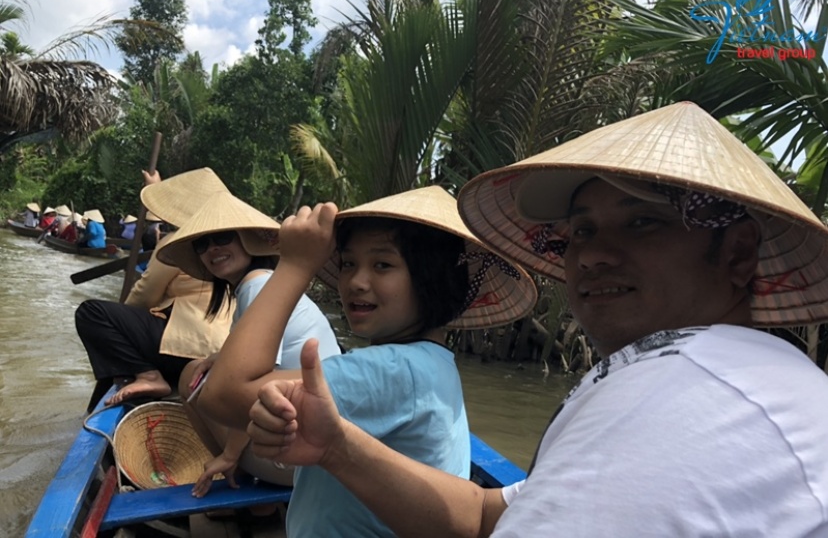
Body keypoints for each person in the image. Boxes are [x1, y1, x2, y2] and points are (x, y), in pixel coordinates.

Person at [245, 102, 828, 537]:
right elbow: (480, 514)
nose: (593, 254)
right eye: (580, 231)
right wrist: (338, 447)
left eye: (642, 223)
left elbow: (227, 391)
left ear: (738, 254)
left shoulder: (694, 387)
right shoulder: (708, 372)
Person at [197, 186, 538, 536]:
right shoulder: (432, 361)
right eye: (348, 263)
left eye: (382, 265)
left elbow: (222, 393)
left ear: (433, 281)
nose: (356, 282)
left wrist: (294, 264)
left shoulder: (390, 369)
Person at [154, 190, 341, 496]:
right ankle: (245, 478)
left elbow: (262, 389)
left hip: (301, 458)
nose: (213, 249)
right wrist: (219, 356)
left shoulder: (256, 285)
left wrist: (228, 454)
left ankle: (242, 482)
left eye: (224, 238)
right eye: (203, 244)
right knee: (205, 366)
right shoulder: (262, 283)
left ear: (247, 241)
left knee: (192, 377)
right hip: (311, 442)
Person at [76, 169, 234, 409]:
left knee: (92, 313)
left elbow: (144, 296)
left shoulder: (177, 242)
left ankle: (149, 375)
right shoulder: (232, 244)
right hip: (221, 349)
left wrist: (122, 326)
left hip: (185, 348)